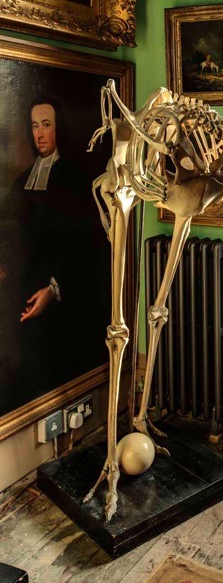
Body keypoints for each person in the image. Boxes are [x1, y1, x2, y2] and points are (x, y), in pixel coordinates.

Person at [0, 98, 94, 412]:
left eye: (46, 125)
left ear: (58, 128)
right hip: (21, 287)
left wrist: (53, 290)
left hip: (56, 295)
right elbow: (7, 229)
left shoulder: (73, 179)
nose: (39, 134)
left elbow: (81, 247)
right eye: (34, 126)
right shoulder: (22, 180)